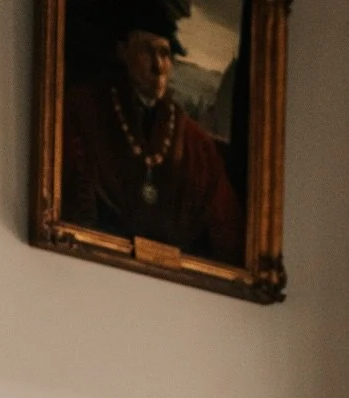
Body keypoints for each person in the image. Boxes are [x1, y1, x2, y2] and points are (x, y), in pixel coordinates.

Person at [62, 3, 244, 264]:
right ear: (123, 52)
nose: (158, 66)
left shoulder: (197, 144)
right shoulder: (85, 111)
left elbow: (226, 233)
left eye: (164, 53)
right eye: (147, 51)